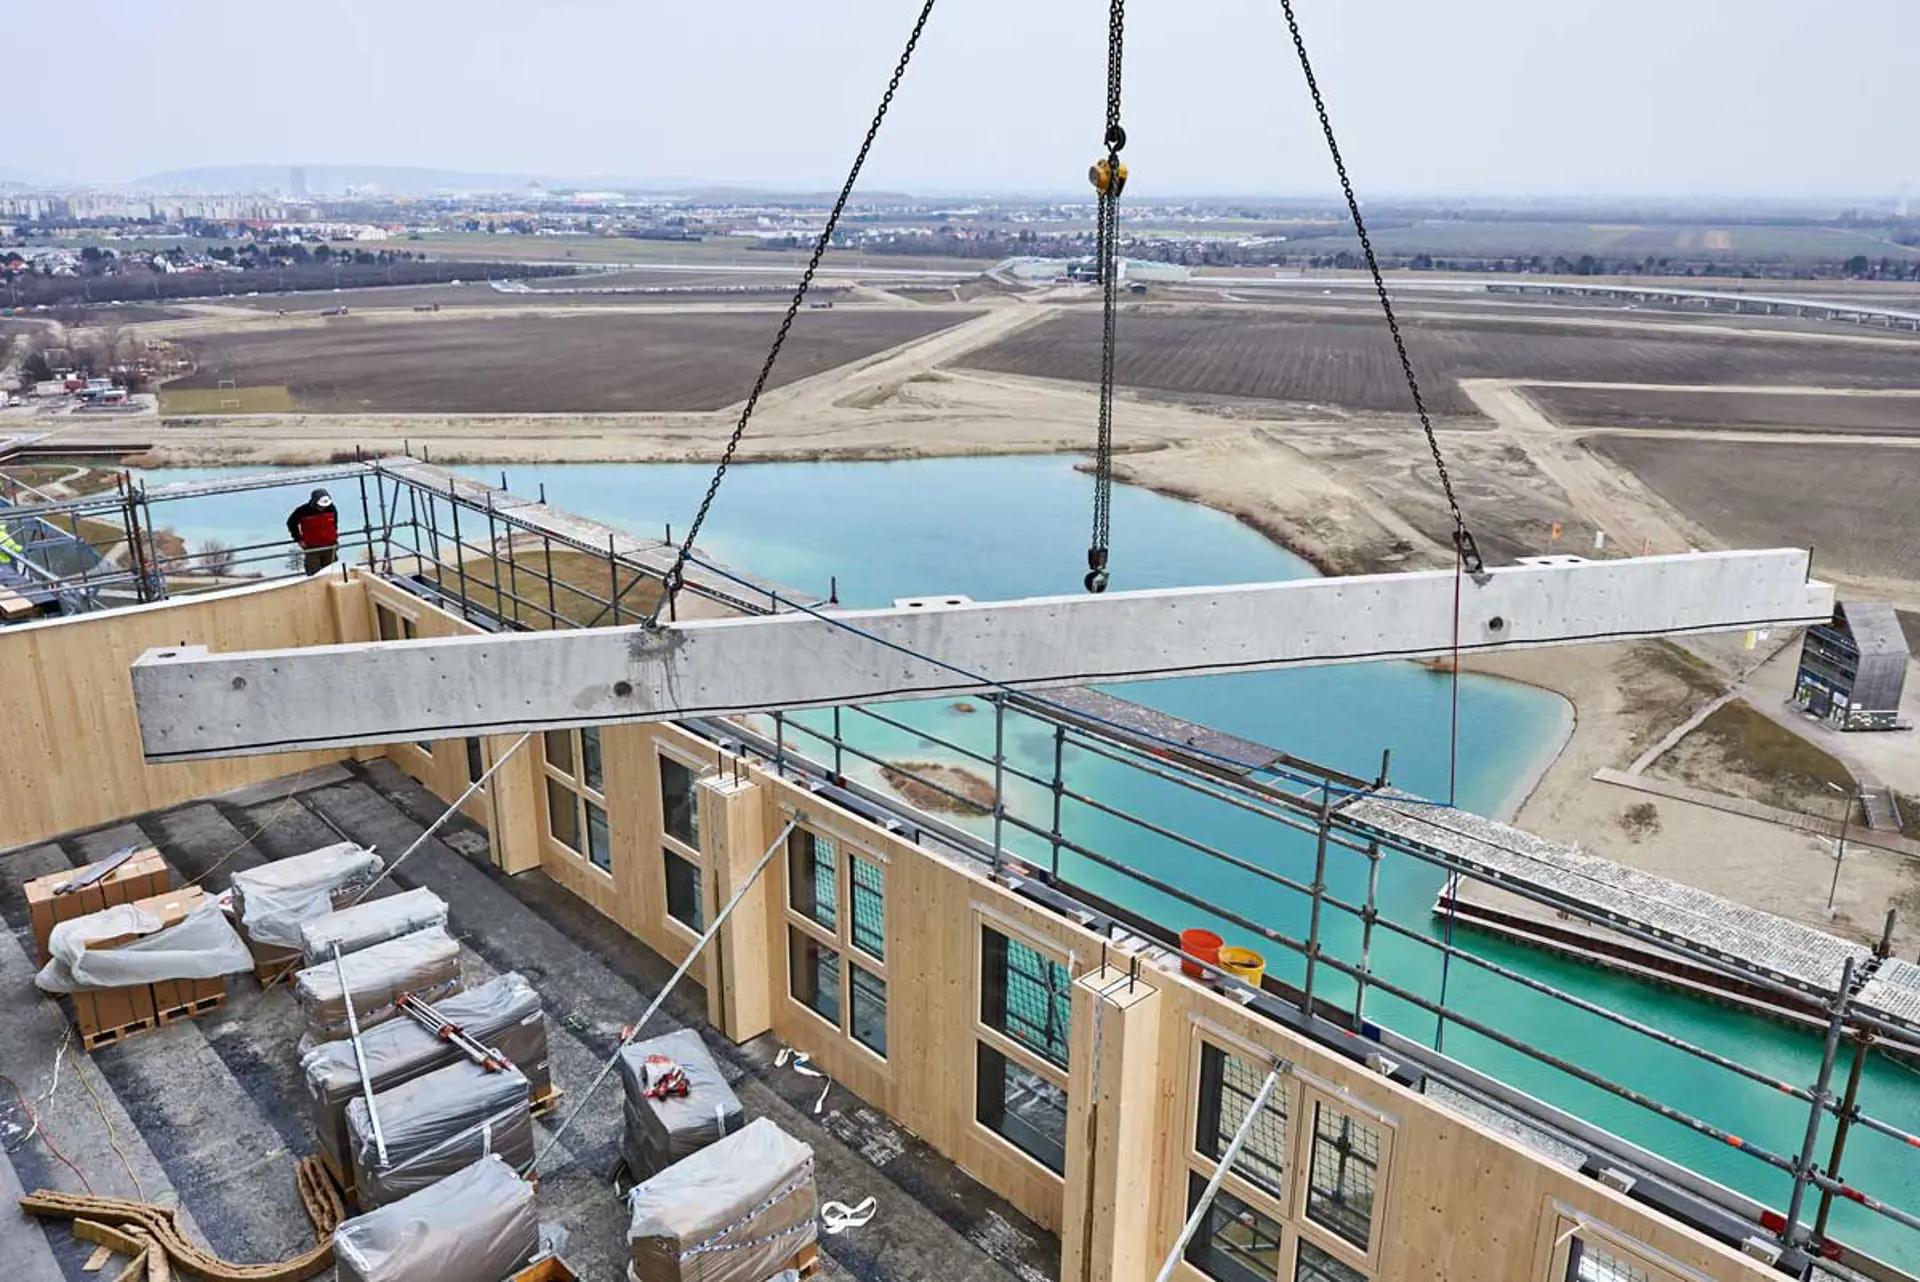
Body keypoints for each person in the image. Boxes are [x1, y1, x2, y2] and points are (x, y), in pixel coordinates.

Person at [286, 488, 339, 574]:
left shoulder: (331, 508)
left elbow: (335, 524)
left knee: (332, 573)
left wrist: (334, 538)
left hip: (330, 546)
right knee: (314, 573)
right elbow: (291, 523)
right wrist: (298, 539)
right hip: (312, 548)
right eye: (321, 506)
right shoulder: (302, 511)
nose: (323, 507)